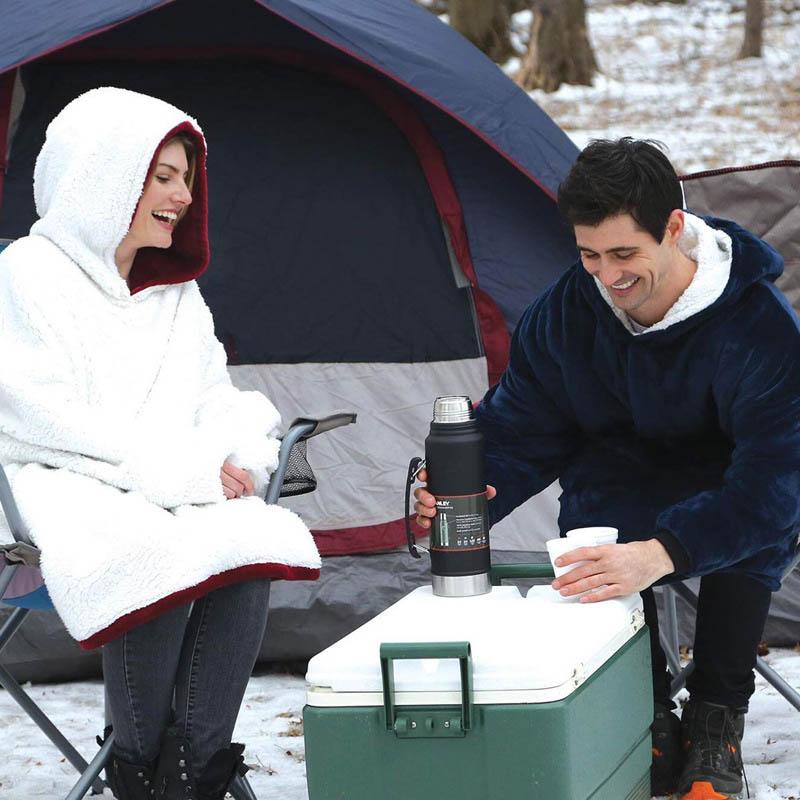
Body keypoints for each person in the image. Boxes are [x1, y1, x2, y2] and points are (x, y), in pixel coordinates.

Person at [414, 138, 800, 800]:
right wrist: (470, 494)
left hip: (733, 486)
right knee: (592, 530)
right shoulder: (568, 311)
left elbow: (778, 478)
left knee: (751, 529)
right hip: (619, 483)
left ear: (673, 227)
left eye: (624, 254)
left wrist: (664, 551)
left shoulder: (758, 324)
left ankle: (717, 718)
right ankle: (642, 714)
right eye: (589, 255)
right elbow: (522, 425)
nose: (607, 275)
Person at [0, 88, 321, 800]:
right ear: (104, 175)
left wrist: (236, 449)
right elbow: (33, 416)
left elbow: (213, 394)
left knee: (248, 535)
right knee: (150, 546)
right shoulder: (28, 272)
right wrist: (173, 469)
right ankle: (136, 768)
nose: (183, 195)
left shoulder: (174, 292)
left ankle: (193, 773)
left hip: (164, 483)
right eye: (164, 176)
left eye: (188, 178)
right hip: (53, 486)